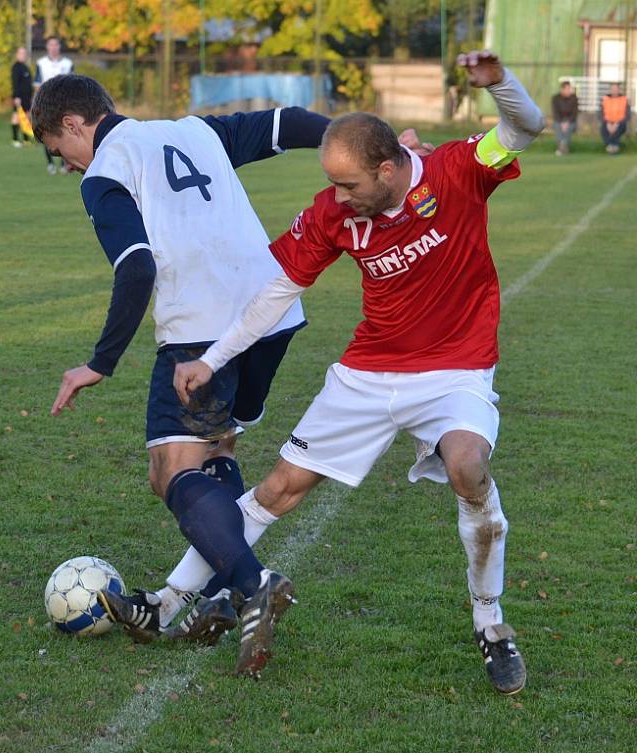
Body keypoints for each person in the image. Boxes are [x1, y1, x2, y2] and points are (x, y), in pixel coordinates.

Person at [171, 50, 544, 694]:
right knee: (279, 488)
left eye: (350, 186)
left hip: (456, 369)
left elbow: (524, 129)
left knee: (467, 465)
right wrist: (212, 357)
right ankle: (176, 593)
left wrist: (502, 84)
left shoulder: (457, 170)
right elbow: (277, 291)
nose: (338, 198)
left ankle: (492, 623)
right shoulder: (333, 214)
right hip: (368, 373)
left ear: (388, 167)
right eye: (333, 185)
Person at [29, 74, 331, 678]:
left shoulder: (105, 172)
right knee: (218, 444)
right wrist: (380, 151)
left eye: (58, 149)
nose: (64, 164)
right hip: (271, 312)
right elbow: (290, 124)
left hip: (204, 328)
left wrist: (99, 362)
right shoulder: (192, 129)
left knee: (170, 471)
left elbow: (136, 269)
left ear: (72, 124)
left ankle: (253, 582)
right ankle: (212, 591)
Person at [34, 37, 74, 172]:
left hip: (63, 105)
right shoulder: (41, 63)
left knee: (64, 134)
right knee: (47, 134)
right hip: (46, 105)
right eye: (51, 45)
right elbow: (37, 85)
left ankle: (65, 163)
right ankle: (50, 163)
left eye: (56, 44)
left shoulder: (68, 63)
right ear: (47, 47)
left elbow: (73, 85)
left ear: (59, 46)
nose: (53, 47)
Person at [10, 47, 34, 147]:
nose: (23, 55)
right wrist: (16, 97)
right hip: (19, 97)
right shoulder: (16, 67)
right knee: (16, 116)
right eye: (21, 53)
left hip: (27, 97)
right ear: (17, 54)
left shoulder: (25, 67)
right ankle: (15, 140)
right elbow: (15, 83)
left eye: (24, 53)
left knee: (26, 117)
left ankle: (25, 139)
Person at [600, 82, 631, 154]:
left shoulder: (624, 99)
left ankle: (613, 146)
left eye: (616, 89)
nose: (614, 90)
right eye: (613, 89)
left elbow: (628, 115)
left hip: (620, 122)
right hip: (607, 122)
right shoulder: (605, 99)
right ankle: (611, 146)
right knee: (603, 129)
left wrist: (617, 123)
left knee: (618, 129)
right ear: (610, 90)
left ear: (619, 90)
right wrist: (608, 123)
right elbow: (600, 114)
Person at [551, 80, 578, 156]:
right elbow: (555, 113)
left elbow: (575, 113)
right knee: (557, 126)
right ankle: (564, 147)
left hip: (571, 121)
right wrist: (562, 123)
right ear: (562, 89)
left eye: (570, 88)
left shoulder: (574, 98)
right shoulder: (555, 98)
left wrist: (567, 122)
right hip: (559, 121)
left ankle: (561, 146)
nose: (569, 90)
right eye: (567, 89)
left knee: (569, 127)